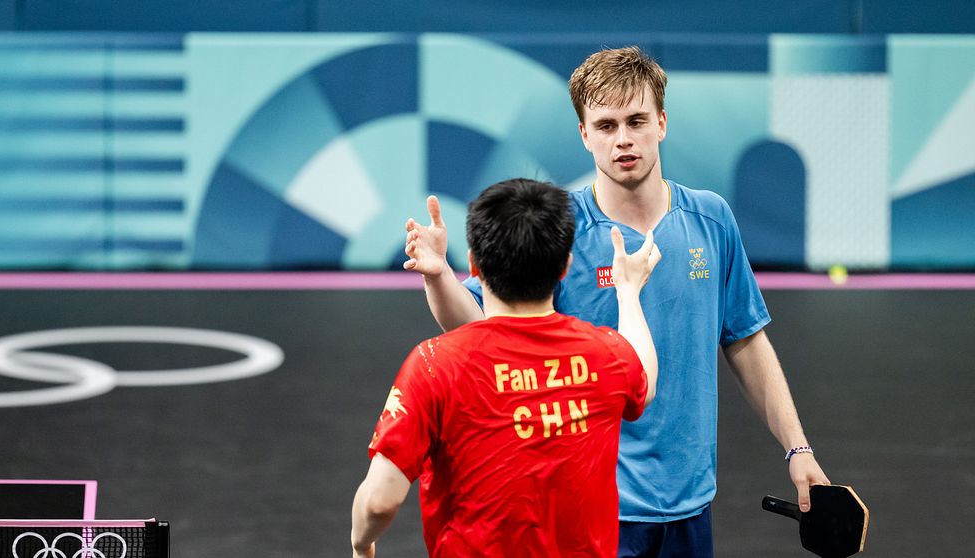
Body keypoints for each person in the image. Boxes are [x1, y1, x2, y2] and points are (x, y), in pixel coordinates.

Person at [402, 46, 829, 557]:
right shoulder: (559, 227)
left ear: (661, 124)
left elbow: (745, 341)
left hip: (691, 501)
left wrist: (797, 448)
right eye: (605, 126)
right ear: (585, 135)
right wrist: (438, 277)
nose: (623, 139)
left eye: (636, 121)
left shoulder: (712, 220)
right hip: (592, 508)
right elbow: (479, 326)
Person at [352, 178, 663, 557]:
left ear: (474, 265)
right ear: (564, 266)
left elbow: (379, 503)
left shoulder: (433, 364)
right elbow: (644, 381)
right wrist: (628, 291)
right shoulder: (607, 354)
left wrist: (361, 544)